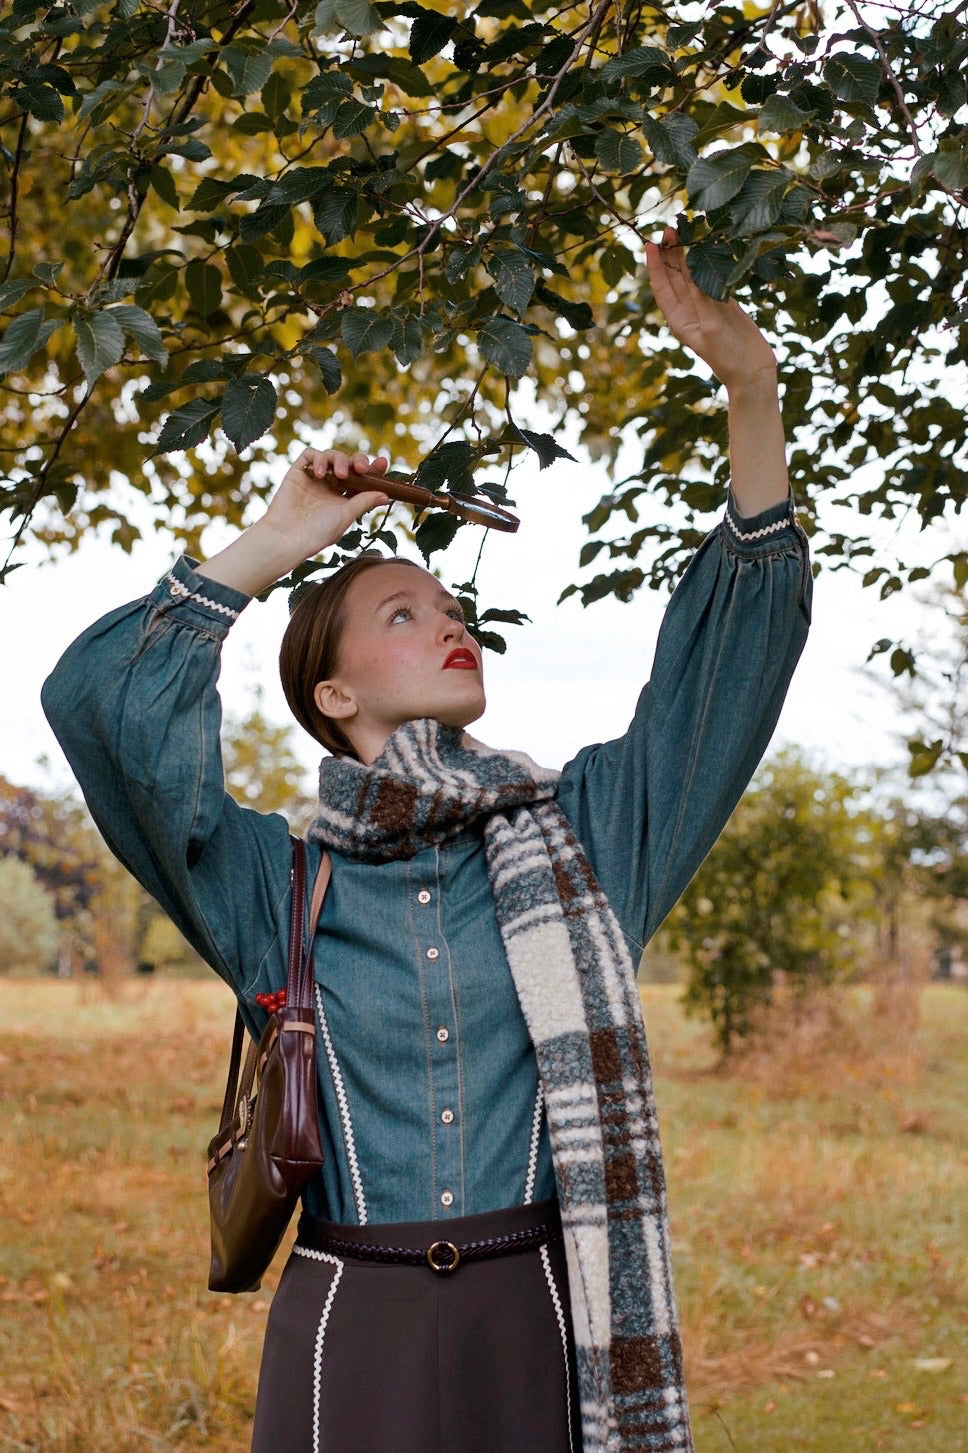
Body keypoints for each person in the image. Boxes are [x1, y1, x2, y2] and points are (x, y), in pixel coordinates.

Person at [42, 231, 811, 1453]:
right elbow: (101, 710)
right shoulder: (273, 883)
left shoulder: (587, 839)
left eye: (453, 611)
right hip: (350, 1326)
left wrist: (748, 392)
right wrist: (278, 542)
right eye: (402, 614)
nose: (450, 626)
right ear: (332, 695)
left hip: (542, 1320)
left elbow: (724, 672)